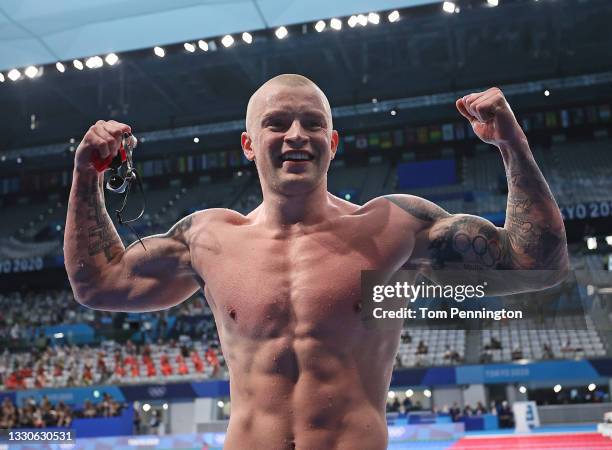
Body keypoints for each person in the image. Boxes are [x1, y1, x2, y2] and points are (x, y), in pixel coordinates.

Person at [64, 74, 569, 449]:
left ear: (332, 143)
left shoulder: (394, 228)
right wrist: (87, 174)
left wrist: (511, 145)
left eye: (313, 124)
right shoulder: (209, 239)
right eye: (276, 123)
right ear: (248, 144)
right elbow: (100, 283)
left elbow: (535, 264)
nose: (296, 135)